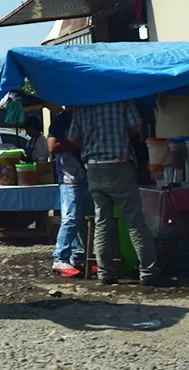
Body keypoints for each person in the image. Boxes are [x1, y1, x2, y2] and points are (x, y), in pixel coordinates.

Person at [68, 100, 160, 286]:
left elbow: (72, 138)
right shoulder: (122, 100)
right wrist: (119, 138)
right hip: (119, 164)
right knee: (134, 221)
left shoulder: (82, 104)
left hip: (94, 167)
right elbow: (135, 127)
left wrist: (92, 143)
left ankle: (105, 273)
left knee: (102, 222)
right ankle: (148, 272)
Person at [48, 107, 91, 275]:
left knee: (81, 218)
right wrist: (75, 143)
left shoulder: (85, 116)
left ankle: (78, 256)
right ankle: (60, 257)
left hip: (85, 174)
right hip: (69, 176)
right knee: (71, 218)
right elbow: (51, 147)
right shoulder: (61, 120)